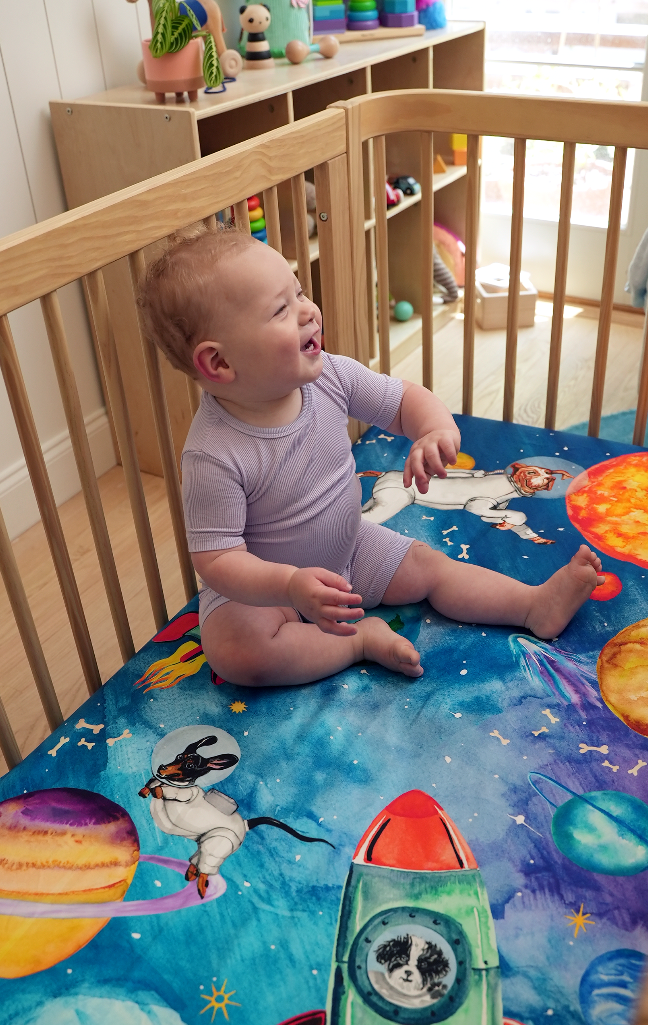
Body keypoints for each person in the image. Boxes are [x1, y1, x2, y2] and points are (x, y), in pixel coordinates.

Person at [138, 228, 603, 686]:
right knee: (237, 653)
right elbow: (218, 558)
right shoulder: (213, 454)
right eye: (282, 309)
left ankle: (533, 605)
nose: (309, 312)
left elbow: (402, 400)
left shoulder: (330, 377)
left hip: (348, 548)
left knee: (430, 567)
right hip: (266, 594)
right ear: (218, 363)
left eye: (299, 292)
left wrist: (434, 429)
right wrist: (288, 586)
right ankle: (358, 641)